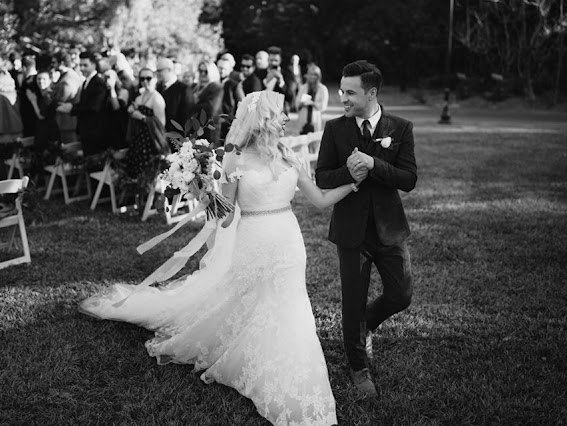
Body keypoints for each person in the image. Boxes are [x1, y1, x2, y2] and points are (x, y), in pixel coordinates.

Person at [79, 91, 357, 425]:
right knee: (250, 301)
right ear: (264, 120)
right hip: (252, 240)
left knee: (290, 303)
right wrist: (201, 189)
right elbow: (225, 218)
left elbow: (321, 200)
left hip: (288, 242)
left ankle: (289, 357)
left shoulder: (289, 153)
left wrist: (354, 184)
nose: (286, 118)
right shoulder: (235, 160)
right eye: (280, 114)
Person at [315, 60, 417, 397]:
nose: (341, 97)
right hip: (351, 231)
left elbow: (408, 179)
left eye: (349, 92)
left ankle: (365, 328)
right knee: (352, 302)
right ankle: (359, 368)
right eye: (341, 90)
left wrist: (375, 164)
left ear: (371, 93)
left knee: (401, 295)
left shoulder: (400, 128)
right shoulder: (335, 129)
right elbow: (322, 177)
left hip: (389, 228)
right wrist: (349, 173)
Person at [124, 67, 168, 195]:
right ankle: (139, 199)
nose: (145, 81)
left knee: (148, 173)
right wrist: (132, 110)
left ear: (155, 79)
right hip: (139, 139)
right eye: (142, 78)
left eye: (148, 78)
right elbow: (132, 107)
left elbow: (161, 124)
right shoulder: (141, 96)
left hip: (151, 142)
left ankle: (150, 200)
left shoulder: (157, 99)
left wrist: (142, 117)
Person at [57, 51, 108, 156]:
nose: (82, 68)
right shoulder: (86, 82)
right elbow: (84, 103)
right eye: (80, 65)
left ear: (93, 65)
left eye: (85, 65)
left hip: (95, 132)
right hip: (87, 131)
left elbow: (94, 107)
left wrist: (72, 109)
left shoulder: (98, 83)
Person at [155, 57, 194, 140]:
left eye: (160, 71)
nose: (157, 74)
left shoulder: (184, 90)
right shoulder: (158, 88)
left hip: (176, 139)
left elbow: (187, 119)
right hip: (160, 136)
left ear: (169, 70)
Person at [51, 51, 82, 143]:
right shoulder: (68, 76)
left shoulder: (67, 80)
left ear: (62, 63)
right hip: (67, 121)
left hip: (67, 121)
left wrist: (49, 95)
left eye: (54, 62)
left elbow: (59, 100)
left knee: (69, 150)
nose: (52, 65)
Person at [191, 61, 223, 146]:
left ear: (212, 72)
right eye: (200, 71)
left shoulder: (216, 87)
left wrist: (192, 106)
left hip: (209, 129)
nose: (202, 74)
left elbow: (210, 108)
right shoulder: (194, 86)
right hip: (195, 129)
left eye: (206, 71)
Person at [295, 63, 329, 134]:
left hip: (315, 120)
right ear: (307, 75)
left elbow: (323, 106)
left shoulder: (323, 89)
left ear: (318, 76)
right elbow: (296, 104)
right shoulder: (303, 88)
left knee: (315, 142)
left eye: (315, 74)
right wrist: (302, 103)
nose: (312, 76)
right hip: (303, 119)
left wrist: (312, 103)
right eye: (310, 74)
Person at [103, 69, 129, 150]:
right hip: (107, 126)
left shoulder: (123, 91)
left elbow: (116, 107)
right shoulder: (103, 92)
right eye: (105, 78)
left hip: (119, 126)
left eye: (109, 78)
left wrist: (112, 89)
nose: (107, 80)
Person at [263, 46, 295, 113]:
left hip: (279, 114)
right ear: (267, 60)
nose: (273, 63)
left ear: (280, 61)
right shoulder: (261, 73)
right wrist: (266, 81)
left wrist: (281, 82)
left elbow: (290, 97)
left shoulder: (287, 74)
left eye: (276, 60)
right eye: (271, 60)